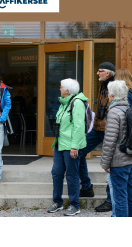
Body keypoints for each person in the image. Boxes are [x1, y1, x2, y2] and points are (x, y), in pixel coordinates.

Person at [47, 78, 88, 216]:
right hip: (60, 144)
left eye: (61, 87)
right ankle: (57, 202)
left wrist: (75, 146)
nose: (59, 88)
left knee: (72, 175)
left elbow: (79, 126)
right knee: (57, 173)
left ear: (67, 90)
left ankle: (75, 205)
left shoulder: (77, 103)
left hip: (71, 145)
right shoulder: (64, 103)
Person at [78, 62, 115, 213]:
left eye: (100, 71)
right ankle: (86, 187)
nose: (97, 73)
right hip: (97, 129)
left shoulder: (114, 87)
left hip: (110, 130)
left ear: (108, 73)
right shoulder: (103, 87)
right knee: (78, 151)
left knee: (112, 164)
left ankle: (110, 200)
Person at [101, 80, 132, 217]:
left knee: (120, 198)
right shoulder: (130, 109)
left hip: (118, 162)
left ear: (112, 95)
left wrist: (105, 163)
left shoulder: (114, 112)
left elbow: (109, 141)